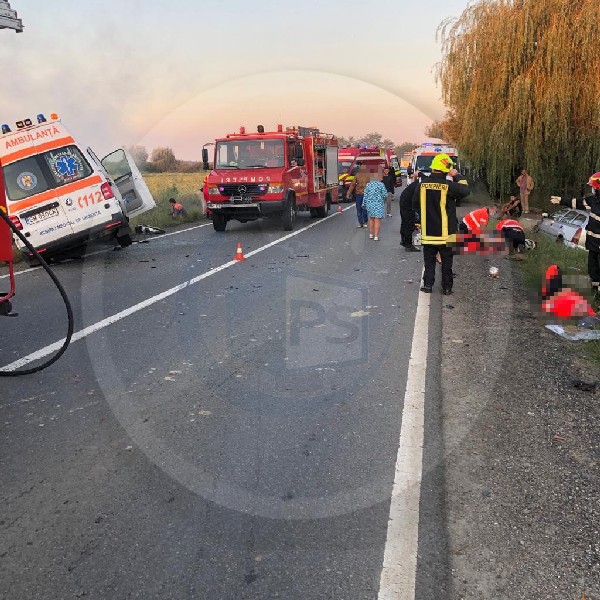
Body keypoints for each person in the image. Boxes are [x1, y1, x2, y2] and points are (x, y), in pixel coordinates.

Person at [412, 153, 470, 294]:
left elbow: (414, 204)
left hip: (429, 233)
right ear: (446, 170)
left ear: (433, 168)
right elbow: (466, 190)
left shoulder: (422, 185)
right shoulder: (448, 185)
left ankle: (428, 286)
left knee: (429, 262)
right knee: (447, 262)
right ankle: (447, 288)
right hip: (446, 234)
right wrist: (457, 175)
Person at [551, 171, 600, 304]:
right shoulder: (594, 201)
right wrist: (561, 200)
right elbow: (577, 202)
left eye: (594, 187)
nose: (593, 189)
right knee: (594, 273)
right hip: (593, 247)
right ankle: (596, 299)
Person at [399, 171, 421, 252]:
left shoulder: (421, 181)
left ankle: (404, 241)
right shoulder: (423, 184)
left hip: (404, 200)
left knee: (405, 221)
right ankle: (408, 245)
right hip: (408, 202)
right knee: (409, 222)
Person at [362, 172, 387, 241]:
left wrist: (364, 204)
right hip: (378, 204)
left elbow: (365, 195)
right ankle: (376, 236)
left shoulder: (368, 185)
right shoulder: (381, 185)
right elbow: (385, 194)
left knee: (371, 219)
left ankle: (371, 234)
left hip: (370, 204)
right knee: (377, 220)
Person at [346, 163, 369, 227]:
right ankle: (360, 222)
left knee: (364, 209)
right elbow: (352, 185)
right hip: (358, 194)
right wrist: (348, 193)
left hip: (365, 194)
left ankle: (365, 222)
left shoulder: (368, 176)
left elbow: (371, 185)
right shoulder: (357, 175)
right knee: (359, 209)